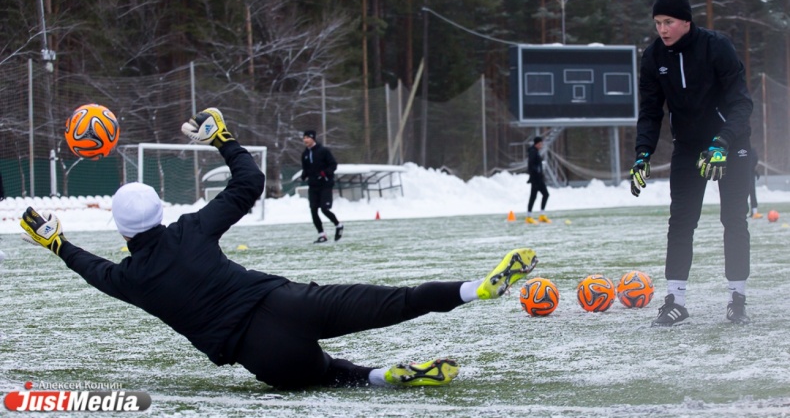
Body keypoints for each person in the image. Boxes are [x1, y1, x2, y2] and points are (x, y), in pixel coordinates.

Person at [20, 107, 539, 390]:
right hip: (287, 303)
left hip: (261, 356)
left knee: (331, 374)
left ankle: (381, 377)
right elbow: (248, 184)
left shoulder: (128, 278)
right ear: (161, 213)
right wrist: (221, 138)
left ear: (122, 233)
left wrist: (56, 241)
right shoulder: (192, 231)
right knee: (396, 301)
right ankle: (475, 289)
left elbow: (92, 270)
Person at [630, 0, 754, 327]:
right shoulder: (654, 56)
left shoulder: (717, 47)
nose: (662, 29)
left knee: (733, 219)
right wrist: (642, 154)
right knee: (681, 222)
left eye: (668, 21)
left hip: (731, 143)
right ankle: (675, 301)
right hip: (688, 147)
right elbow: (651, 112)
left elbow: (742, 103)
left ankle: (737, 298)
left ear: (686, 21)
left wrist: (723, 142)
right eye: (657, 22)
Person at [300, 130, 343, 243]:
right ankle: (322, 235)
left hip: (325, 184)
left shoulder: (323, 151)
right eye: (304, 138)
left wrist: (324, 173)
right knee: (313, 210)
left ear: (313, 138)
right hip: (313, 185)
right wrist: (304, 175)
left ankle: (338, 225)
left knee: (324, 209)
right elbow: (306, 168)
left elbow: (333, 165)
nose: (305, 140)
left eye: (307, 137)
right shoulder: (305, 154)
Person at [526, 136, 550, 224]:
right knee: (537, 196)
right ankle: (530, 216)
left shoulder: (536, 152)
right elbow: (531, 165)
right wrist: (536, 173)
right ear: (536, 144)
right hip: (536, 178)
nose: (541, 145)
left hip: (538, 178)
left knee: (543, 195)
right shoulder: (533, 152)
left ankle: (540, 215)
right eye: (540, 144)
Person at [749, 152, 763, 219]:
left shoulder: (750, 151)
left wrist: (755, 172)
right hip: (746, 175)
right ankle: (754, 212)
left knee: (751, 193)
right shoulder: (749, 151)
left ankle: (754, 212)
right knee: (751, 193)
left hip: (749, 174)